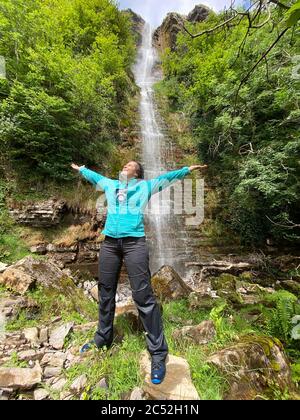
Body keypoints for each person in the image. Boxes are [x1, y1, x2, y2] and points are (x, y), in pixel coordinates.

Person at [71, 160, 207, 384]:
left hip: (135, 243)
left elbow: (168, 178)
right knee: (105, 291)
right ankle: (103, 338)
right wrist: (82, 170)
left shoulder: (145, 186)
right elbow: (94, 177)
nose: (125, 165)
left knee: (143, 295)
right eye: (124, 164)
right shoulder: (110, 184)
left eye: (130, 165)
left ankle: (158, 353)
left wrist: (187, 170)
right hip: (110, 244)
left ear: (138, 173)